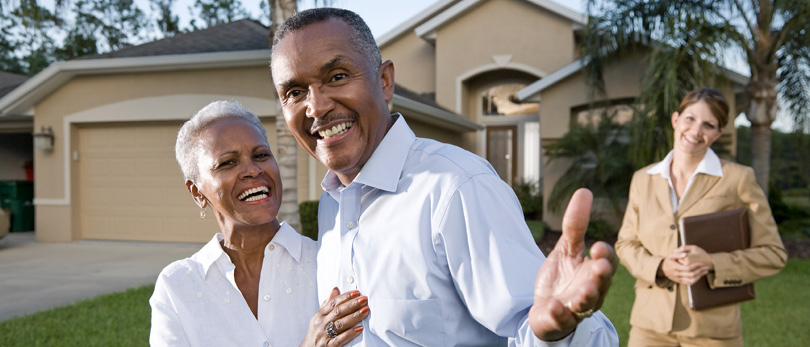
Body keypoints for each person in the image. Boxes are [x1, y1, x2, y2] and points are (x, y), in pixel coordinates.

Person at [270, 8, 619, 346]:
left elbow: (535, 321)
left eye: (337, 77)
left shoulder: (455, 188)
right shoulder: (332, 207)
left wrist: (555, 334)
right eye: (294, 92)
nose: (315, 106)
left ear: (385, 80)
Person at [149, 101, 369, 346]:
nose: (253, 170)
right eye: (228, 162)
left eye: (261, 155)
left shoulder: (329, 263)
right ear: (197, 192)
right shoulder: (176, 287)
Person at [615, 88, 787, 346]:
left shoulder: (738, 179)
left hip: (712, 331)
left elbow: (773, 254)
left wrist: (712, 262)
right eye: (690, 119)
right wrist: (661, 266)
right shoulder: (643, 179)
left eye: (709, 125)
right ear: (676, 120)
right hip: (649, 327)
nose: (696, 131)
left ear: (718, 133)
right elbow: (626, 245)